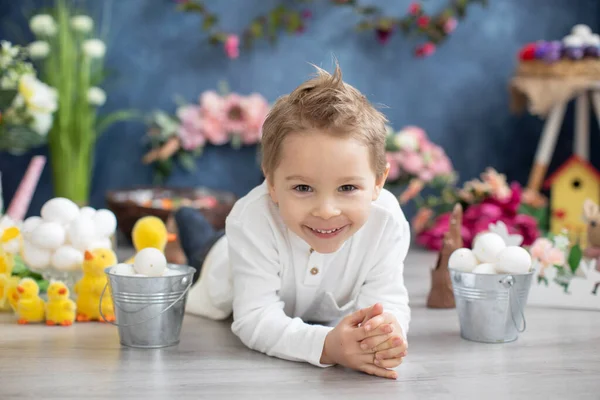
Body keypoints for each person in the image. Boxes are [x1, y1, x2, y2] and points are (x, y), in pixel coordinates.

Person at [175, 63, 410, 380]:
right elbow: (255, 317)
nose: (326, 211)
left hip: (300, 292)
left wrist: (384, 332)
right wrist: (327, 345)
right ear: (271, 183)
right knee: (205, 249)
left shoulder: (387, 221)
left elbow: (388, 299)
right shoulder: (251, 220)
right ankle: (186, 221)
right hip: (225, 267)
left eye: (348, 188)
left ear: (378, 182)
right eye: (303, 188)